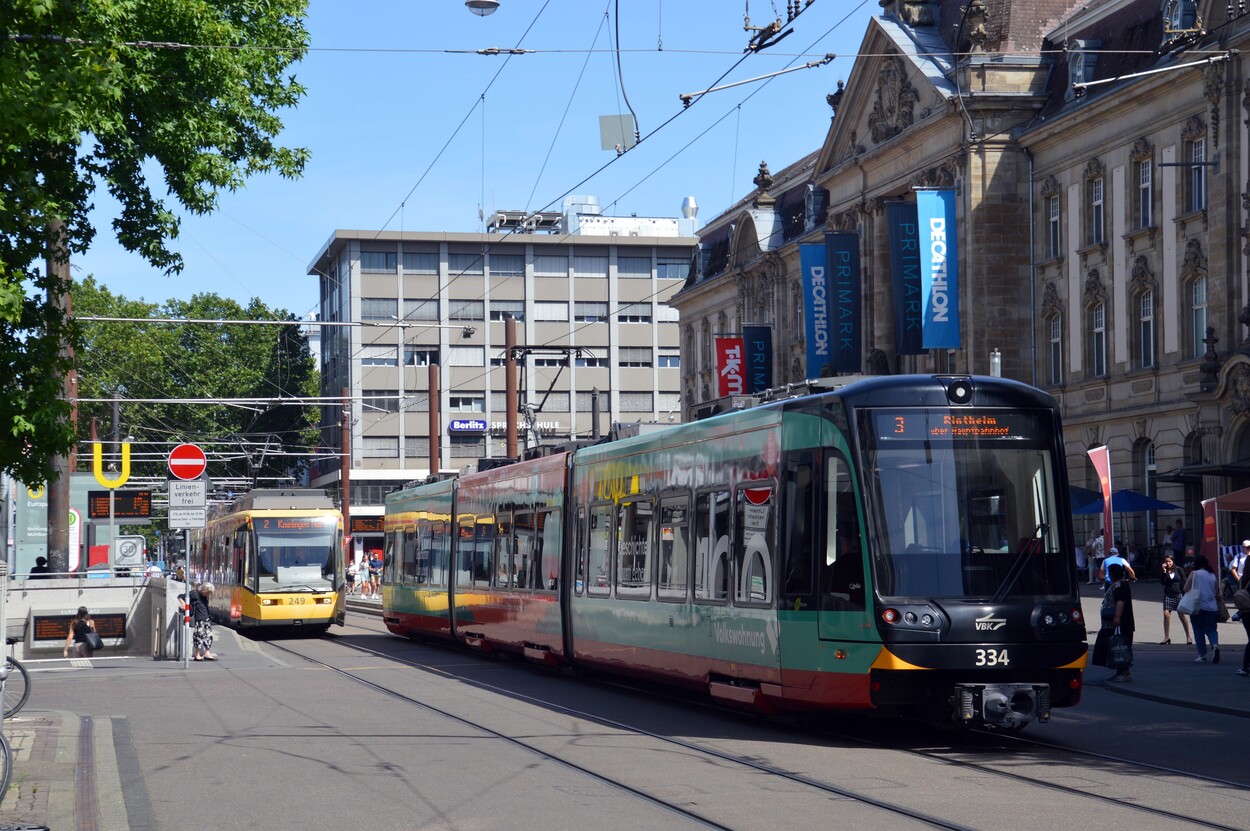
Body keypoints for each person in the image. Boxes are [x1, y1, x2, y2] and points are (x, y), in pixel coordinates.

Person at [1092, 563, 1135, 682]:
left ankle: (1125, 672)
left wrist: (1117, 617)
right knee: (1114, 648)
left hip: (1120, 624)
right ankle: (1119, 671)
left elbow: (1120, 602)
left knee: (1120, 647)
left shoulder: (1120, 585)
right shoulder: (1117, 585)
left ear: (1112, 574)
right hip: (1112, 624)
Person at [1185, 555, 1221, 664]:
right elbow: (1216, 592)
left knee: (1198, 630)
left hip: (1197, 606)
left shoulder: (1194, 574)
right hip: (1212, 607)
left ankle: (1202, 655)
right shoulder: (1212, 575)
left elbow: (1185, 588)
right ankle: (1215, 646)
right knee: (1212, 629)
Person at [1159, 555, 1192, 645]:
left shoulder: (1179, 569)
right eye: (1166, 561)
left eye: (1169, 561)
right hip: (1168, 594)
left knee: (1181, 615)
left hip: (1178, 594)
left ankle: (1188, 636)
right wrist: (1164, 571)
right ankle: (1166, 637)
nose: (1168, 563)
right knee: (1166, 614)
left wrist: (1186, 592)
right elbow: (1163, 582)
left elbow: (1184, 580)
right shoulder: (1164, 571)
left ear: (1173, 561)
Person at [189, 582, 217, 661]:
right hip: (199, 619)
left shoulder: (204, 596)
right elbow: (181, 596)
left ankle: (207, 653)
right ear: (204, 590)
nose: (209, 594)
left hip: (206, 618)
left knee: (209, 636)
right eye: (208, 592)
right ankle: (197, 655)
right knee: (198, 636)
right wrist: (183, 604)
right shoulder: (194, 594)